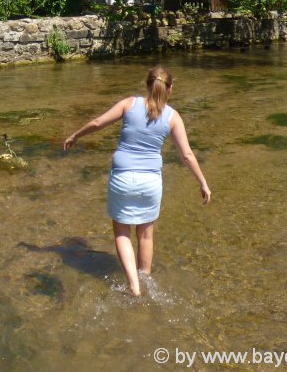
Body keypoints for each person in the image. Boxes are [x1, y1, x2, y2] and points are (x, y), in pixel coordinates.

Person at [63, 66, 211, 297]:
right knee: (145, 234)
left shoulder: (129, 104)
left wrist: (75, 136)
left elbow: (97, 123)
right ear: (170, 89)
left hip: (122, 178)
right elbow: (187, 155)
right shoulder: (173, 117)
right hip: (150, 182)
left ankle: (134, 285)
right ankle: (145, 278)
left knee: (122, 233)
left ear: (147, 85)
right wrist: (202, 182)